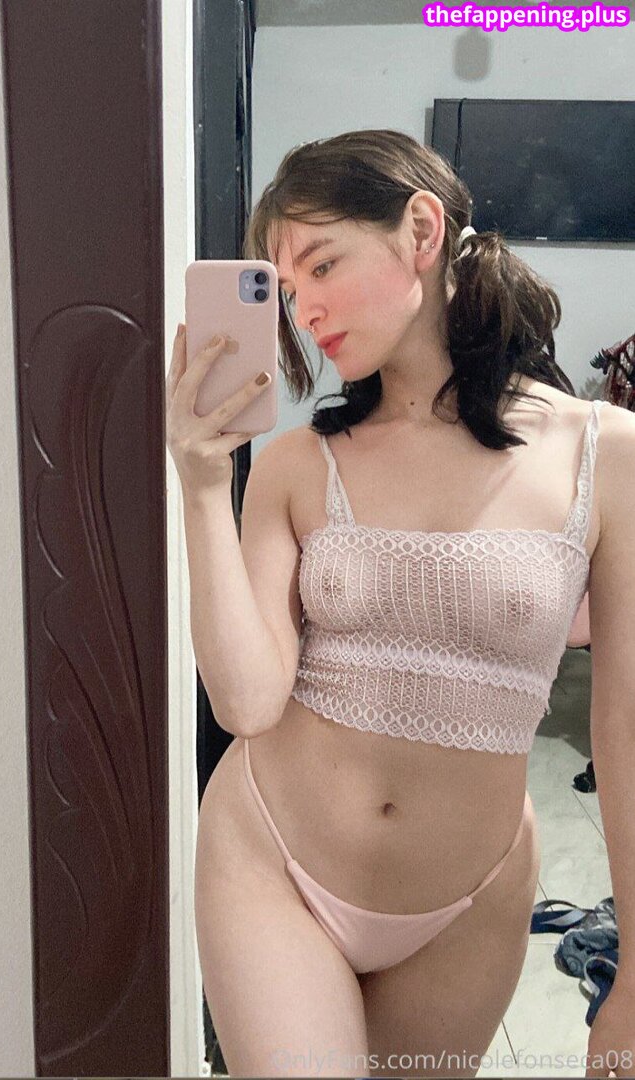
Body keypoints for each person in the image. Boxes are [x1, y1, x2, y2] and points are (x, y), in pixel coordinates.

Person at [165, 130, 634, 1079]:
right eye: (285, 288)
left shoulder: (606, 455)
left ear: (419, 230)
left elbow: (623, 724)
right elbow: (246, 703)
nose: (303, 308)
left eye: (320, 265)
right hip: (274, 866)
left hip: (472, 899)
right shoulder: (295, 465)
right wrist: (203, 486)